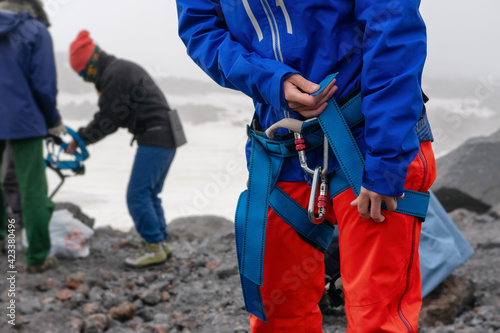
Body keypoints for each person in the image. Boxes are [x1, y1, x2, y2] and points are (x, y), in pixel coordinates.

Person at [176, 1, 436, 332]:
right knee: (277, 316)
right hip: (282, 149)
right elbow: (200, 28)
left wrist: (386, 160)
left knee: (378, 320)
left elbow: (393, 28)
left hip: (368, 143)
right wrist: (270, 81)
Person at [67, 30, 186, 269]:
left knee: (137, 195)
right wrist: (83, 138)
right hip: (168, 133)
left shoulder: (114, 75)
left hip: (156, 134)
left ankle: (153, 248)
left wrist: (81, 138)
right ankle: (161, 244)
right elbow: (112, 117)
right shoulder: (118, 69)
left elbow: (108, 120)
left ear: (91, 65)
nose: (84, 79)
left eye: (82, 73)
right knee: (150, 193)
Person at [0, 0, 64, 273]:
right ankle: (37, 256)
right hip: (24, 120)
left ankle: (4, 236)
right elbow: (44, 84)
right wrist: (53, 121)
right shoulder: (36, 31)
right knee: (32, 188)